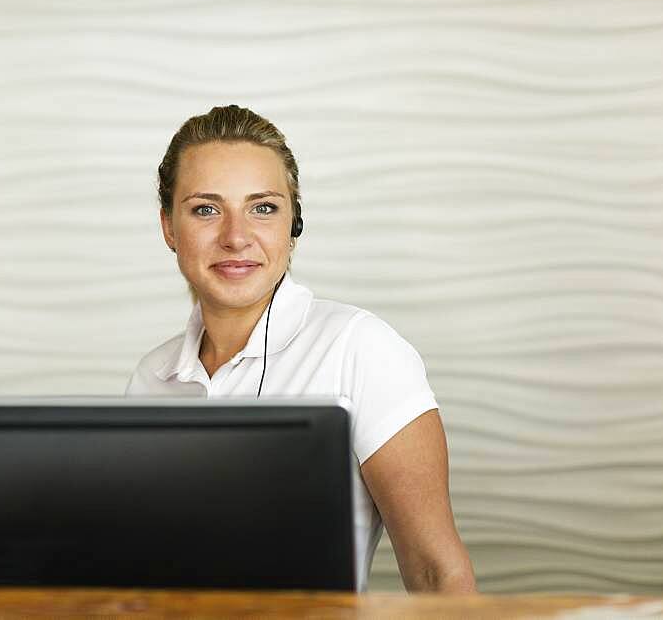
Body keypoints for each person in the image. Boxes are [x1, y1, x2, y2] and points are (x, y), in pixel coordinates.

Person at [125, 104, 476, 594]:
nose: (236, 236)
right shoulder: (151, 377)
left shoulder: (359, 347)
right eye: (206, 209)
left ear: (293, 227)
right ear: (168, 227)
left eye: (263, 207)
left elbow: (437, 573)